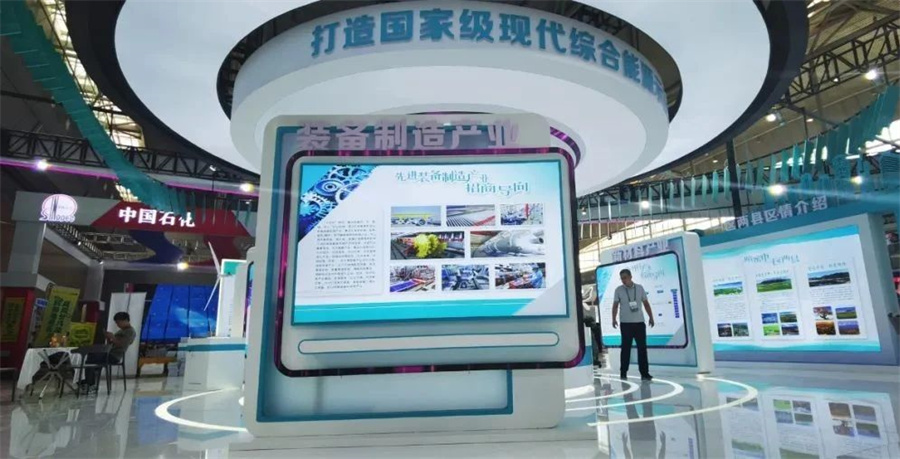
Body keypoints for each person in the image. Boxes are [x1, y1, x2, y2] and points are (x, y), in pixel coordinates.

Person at [611, 269, 654, 381]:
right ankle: (623, 372)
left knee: (642, 349)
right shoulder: (618, 290)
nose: (623, 280)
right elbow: (615, 306)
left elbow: (646, 304)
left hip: (639, 323)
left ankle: (644, 373)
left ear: (631, 277)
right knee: (625, 349)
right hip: (626, 324)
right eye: (622, 278)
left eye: (625, 277)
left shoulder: (639, 288)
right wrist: (613, 319)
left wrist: (651, 317)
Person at [81, 312, 136, 388]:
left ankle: (90, 383)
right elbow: (112, 344)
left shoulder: (130, 331)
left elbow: (122, 344)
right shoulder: (121, 331)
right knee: (92, 357)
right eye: (116, 323)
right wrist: (108, 338)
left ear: (125, 320)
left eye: (118, 322)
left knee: (92, 359)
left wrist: (113, 337)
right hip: (109, 353)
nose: (117, 325)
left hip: (115, 356)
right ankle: (90, 380)